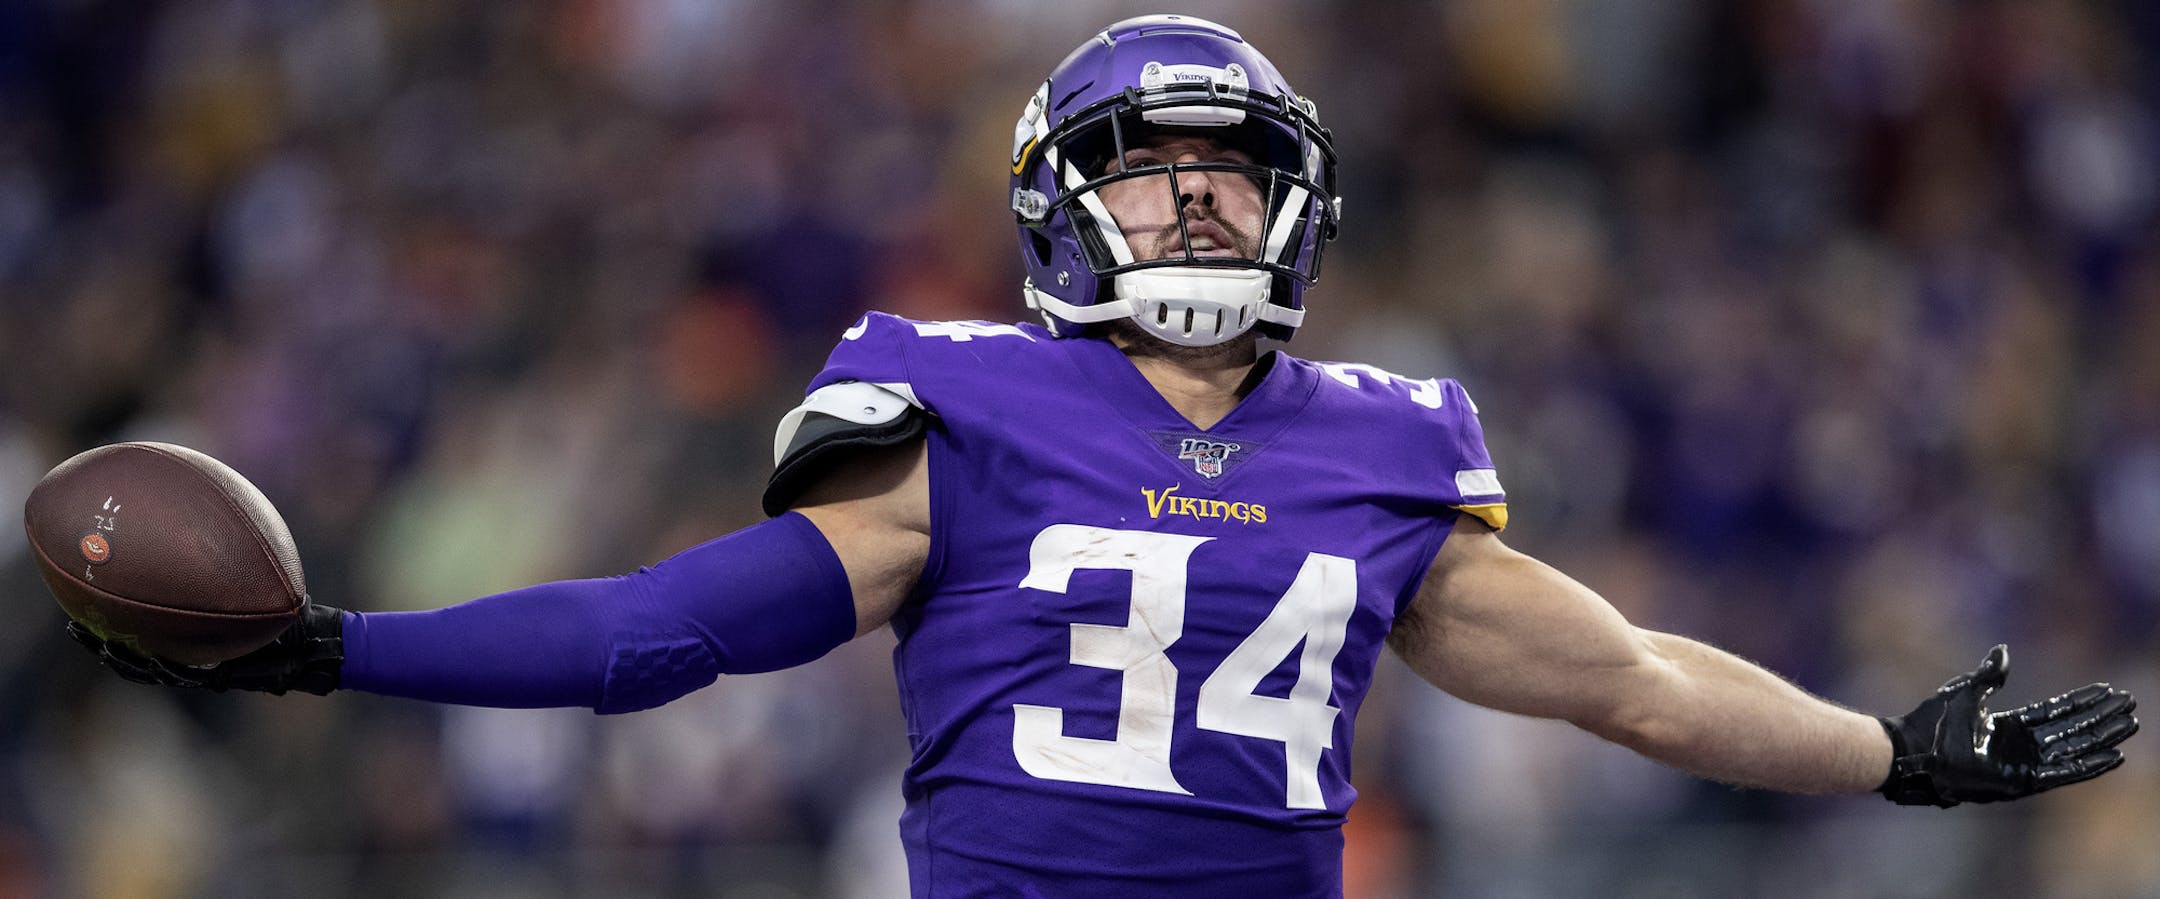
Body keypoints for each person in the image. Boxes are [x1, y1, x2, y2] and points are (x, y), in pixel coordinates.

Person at [67, 14, 2139, 897]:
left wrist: (1889, 748)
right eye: (1157, 184)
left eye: (1238, 183)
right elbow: (661, 634)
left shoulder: (1384, 450)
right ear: (1068, 210)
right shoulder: (958, 406)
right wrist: (333, 650)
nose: (1204, 214)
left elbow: (1630, 680)